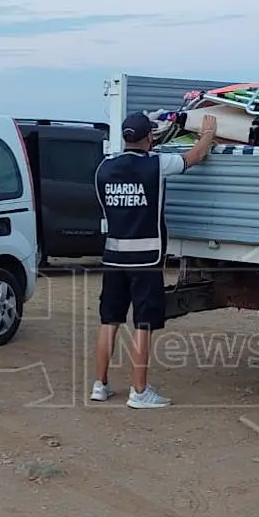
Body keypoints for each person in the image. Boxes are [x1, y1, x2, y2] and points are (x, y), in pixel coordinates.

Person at [89, 111, 217, 409]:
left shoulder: (104, 168)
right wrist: (208, 133)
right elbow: (194, 156)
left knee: (109, 320)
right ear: (150, 137)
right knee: (142, 325)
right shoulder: (156, 164)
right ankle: (139, 391)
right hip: (146, 259)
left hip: (114, 256)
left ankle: (100, 385)